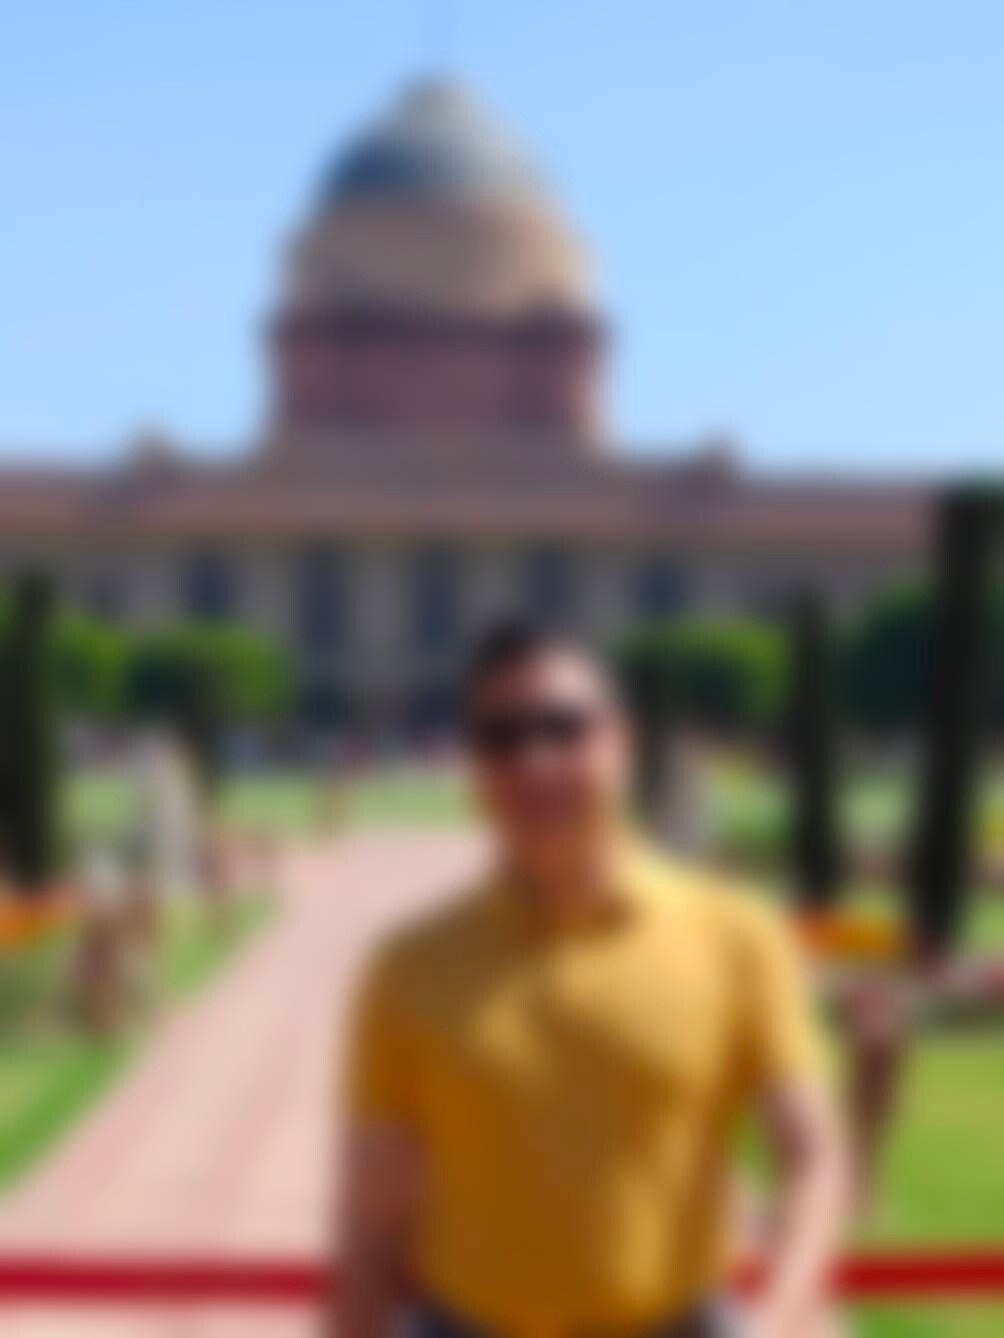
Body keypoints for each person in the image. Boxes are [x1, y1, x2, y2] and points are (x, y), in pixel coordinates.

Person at [335, 620, 846, 1337]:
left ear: (622, 742)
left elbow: (815, 1156)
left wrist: (781, 1318)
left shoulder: (738, 938)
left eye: (562, 727)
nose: (534, 760)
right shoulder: (409, 966)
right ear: (475, 768)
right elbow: (370, 1225)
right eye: (501, 737)